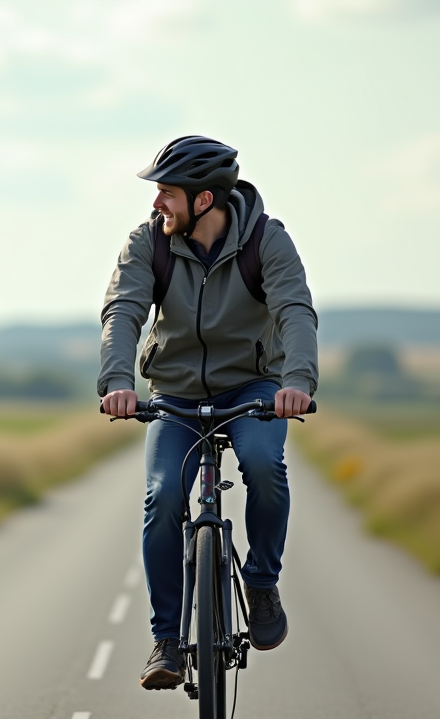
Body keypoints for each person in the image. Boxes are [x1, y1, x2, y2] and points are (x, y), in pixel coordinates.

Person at [99, 135, 317, 690]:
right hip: (173, 393)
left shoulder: (266, 240)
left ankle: (262, 584)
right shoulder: (149, 243)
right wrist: (118, 381)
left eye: (167, 193)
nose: (156, 204)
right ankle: (167, 639)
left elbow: (294, 310)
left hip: (253, 389)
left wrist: (296, 382)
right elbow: (123, 310)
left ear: (204, 200)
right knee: (163, 494)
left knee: (266, 468)